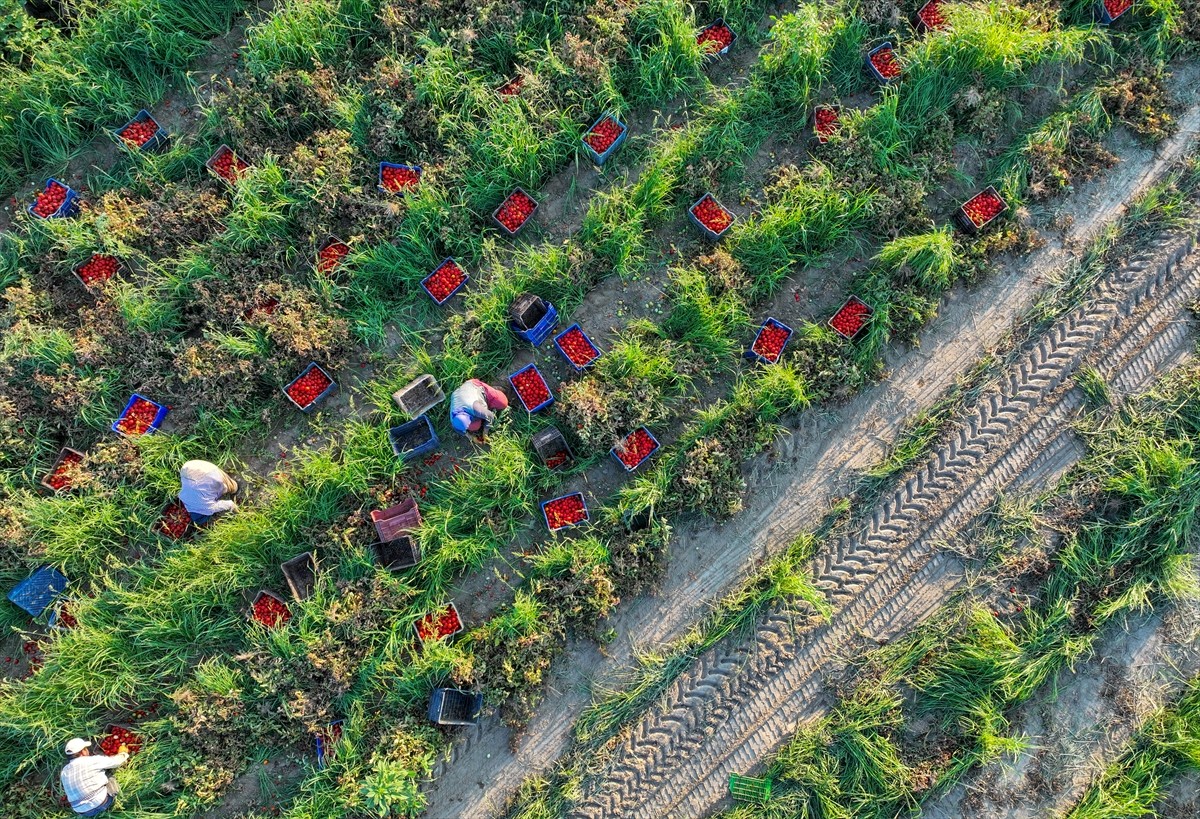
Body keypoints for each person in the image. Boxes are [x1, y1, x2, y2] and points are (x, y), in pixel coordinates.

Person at [60, 737, 128, 816]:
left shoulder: (64, 771)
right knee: (108, 773)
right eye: (86, 749)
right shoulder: (91, 760)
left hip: (83, 812)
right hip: (102, 802)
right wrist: (123, 753)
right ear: (83, 751)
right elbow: (116, 762)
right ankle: (111, 802)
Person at [178, 460, 238, 525]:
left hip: (211, 476)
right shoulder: (183, 497)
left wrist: (236, 510)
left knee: (231, 488)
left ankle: (230, 485)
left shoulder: (208, 508)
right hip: (192, 467)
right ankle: (226, 479)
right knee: (217, 483)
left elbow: (229, 504)